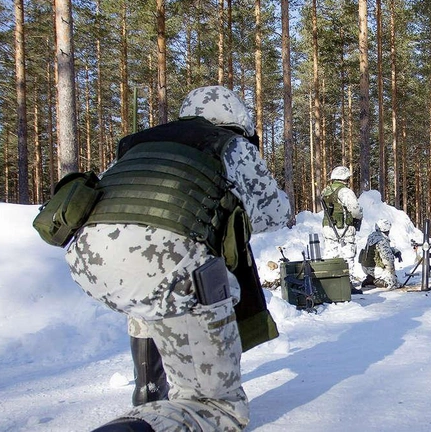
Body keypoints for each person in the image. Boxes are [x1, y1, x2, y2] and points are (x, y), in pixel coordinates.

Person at [65, 86, 290, 432]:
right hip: (170, 266)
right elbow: (277, 211)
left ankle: (150, 388)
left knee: (151, 285)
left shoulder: (140, 143)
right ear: (237, 118)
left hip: (87, 258)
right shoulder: (232, 144)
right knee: (216, 406)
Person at [319, 165, 363, 292]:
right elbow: (355, 210)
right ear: (345, 178)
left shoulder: (326, 190)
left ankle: (331, 285)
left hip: (328, 227)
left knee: (331, 254)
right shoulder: (345, 192)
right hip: (343, 227)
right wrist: (358, 217)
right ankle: (346, 284)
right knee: (348, 255)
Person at [360, 219, 402, 290]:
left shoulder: (372, 236)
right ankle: (375, 281)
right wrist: (391, 273)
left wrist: (395, 251)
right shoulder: (382, 240)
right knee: (393, 283)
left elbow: (379, 250)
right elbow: (388, 259)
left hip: (365, 267)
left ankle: (371, 278)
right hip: (375, 269)